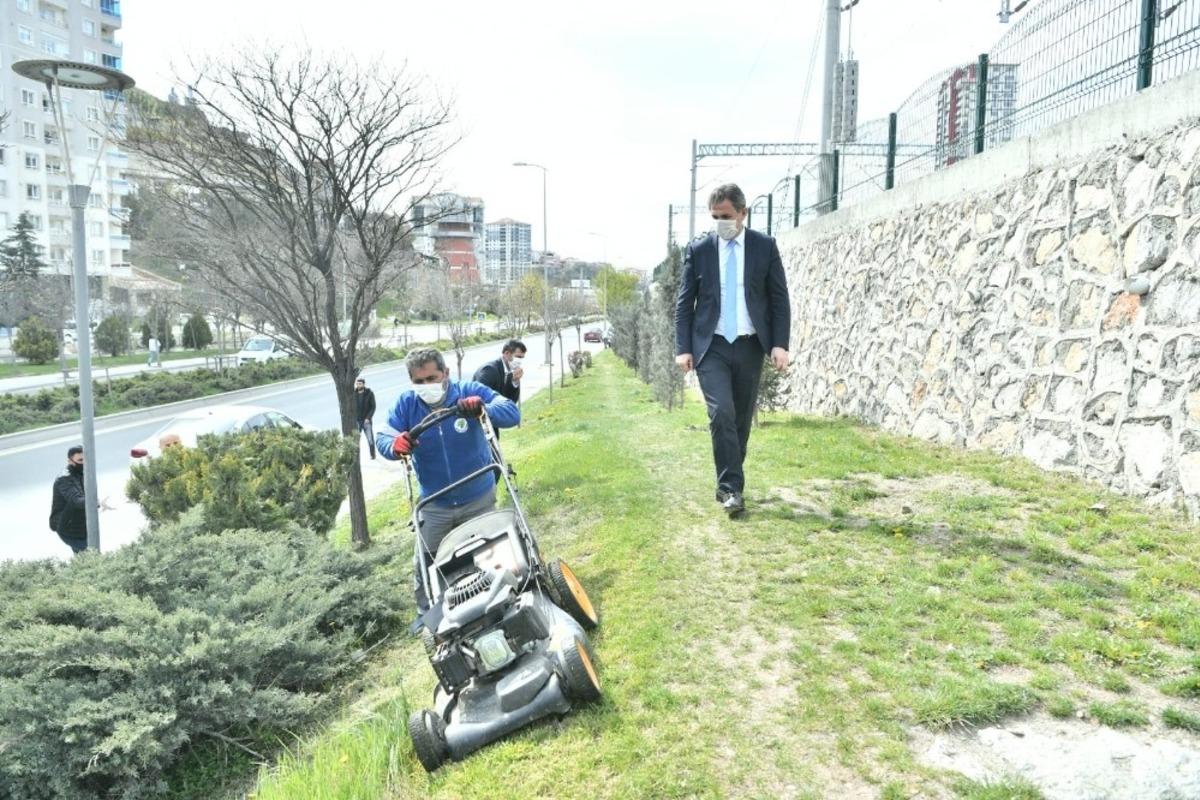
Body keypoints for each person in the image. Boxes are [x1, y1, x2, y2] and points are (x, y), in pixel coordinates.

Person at [674, 183, 791, 519]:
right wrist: (683, 348)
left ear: (743, 213)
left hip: (750, 345)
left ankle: (729, 478)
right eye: (715, 217)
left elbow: (778, 298)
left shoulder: (764, 247)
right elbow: (685, 303)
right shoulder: (699, 250)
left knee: (739, 419)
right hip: (711, 346)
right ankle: (731, 490)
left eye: (726, 216)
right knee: (720, 412)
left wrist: (780, 343)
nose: (721, 223)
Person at [376, 347, 520, 610]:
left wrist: (482, 408)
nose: (426, 385)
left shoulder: (467, 391)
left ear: (446, 373)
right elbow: (383, 437)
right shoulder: (406, 404)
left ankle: (506, 594)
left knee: (491, 552)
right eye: (419, 381)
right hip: (435, 503)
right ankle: (429, 612)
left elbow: (511, 411)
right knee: (425, 560)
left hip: (478, 496)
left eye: (432, 378)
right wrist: (394, 445)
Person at [48, 446, 89, 554]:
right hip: (68, 526)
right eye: (80, 460)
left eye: (86, 459)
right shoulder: (64, 479)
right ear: (70, 461)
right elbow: (77, 501)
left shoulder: (82, 473)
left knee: (84, 559)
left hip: (80, 525)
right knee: (90, 557)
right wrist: (95, 501)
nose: (84, 462)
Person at [472, 338, 525, 406]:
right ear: (506, 353)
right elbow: (480, 399)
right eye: (518, 357)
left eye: (522, 358)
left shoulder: (510, 373)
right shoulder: (489, 370)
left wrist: (515, 382)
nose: (520, 361)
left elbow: (511, 402)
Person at [354, 376, 378, 459]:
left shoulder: (369, 393)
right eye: (357, 384)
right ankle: (355, 457)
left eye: (360, 384)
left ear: (364, 384)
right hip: (357, 421)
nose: (358, 385)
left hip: (366, 421)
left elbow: (373, 407)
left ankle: (372, 454)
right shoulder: (354, 394)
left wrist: (368, 418)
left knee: (370, 439)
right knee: (355, 440)